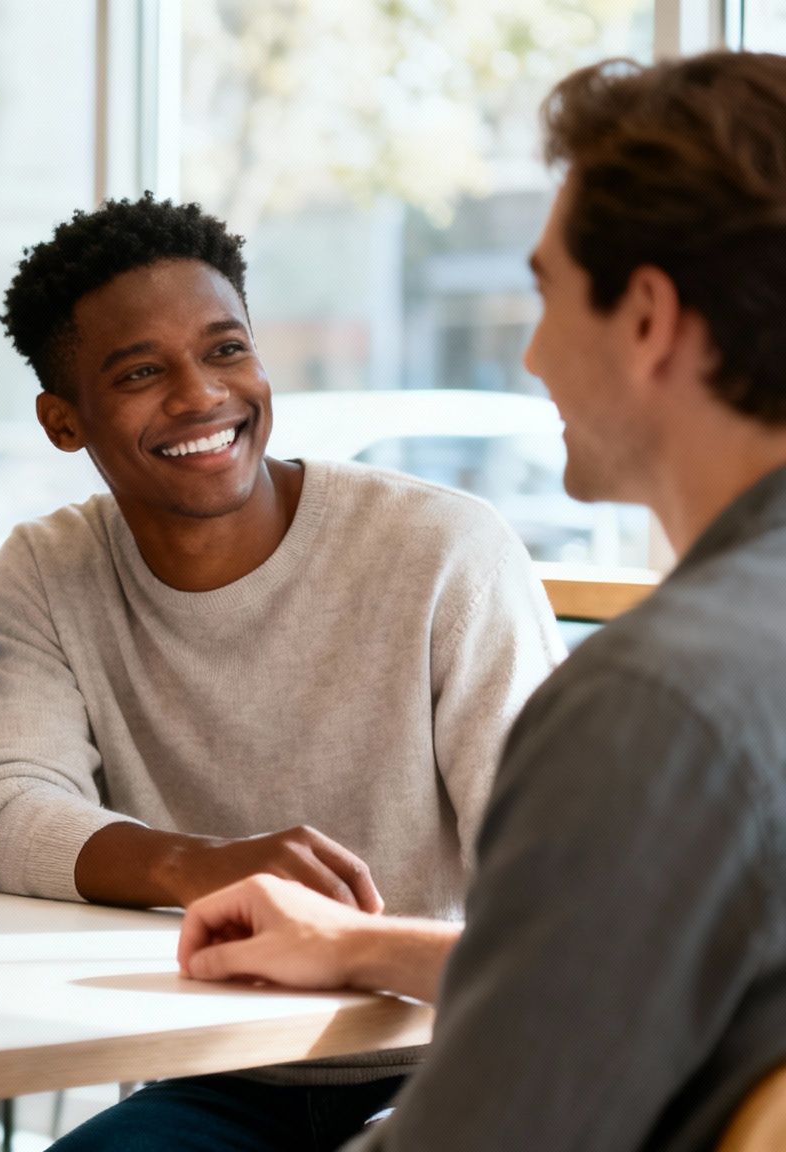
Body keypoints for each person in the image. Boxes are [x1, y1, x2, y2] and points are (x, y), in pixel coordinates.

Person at [172, 50, 786, 1152]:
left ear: (645, 318)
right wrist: (364, 946)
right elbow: (633, 975)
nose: (533, 354)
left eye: (547, 294)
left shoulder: (653, 706)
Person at [0, 193, 566, 1150]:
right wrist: (204, 865)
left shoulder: (447, 552)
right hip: (217, 1071)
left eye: (226, 349)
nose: (201, 395)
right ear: (62, 420)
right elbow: (5, 814)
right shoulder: (49, 569)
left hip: (447, 1057)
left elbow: (559, 896)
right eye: (141, 371)